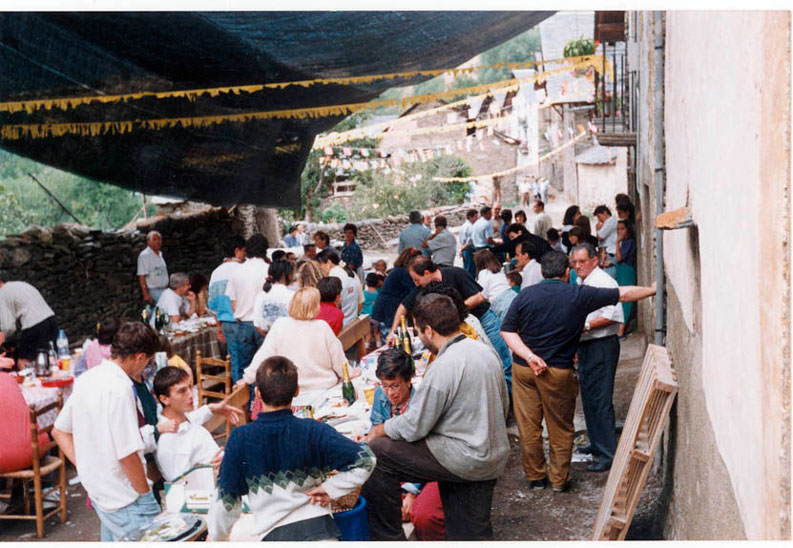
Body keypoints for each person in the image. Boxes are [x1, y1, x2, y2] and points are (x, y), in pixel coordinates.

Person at [500, 251, 656, 492]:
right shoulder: (578, 295)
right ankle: (559, 480)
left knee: (529, 426)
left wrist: (530, 356)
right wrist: (652, 290)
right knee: (560, 427)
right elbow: (623, 294)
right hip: (557, 371)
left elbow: (507, 331)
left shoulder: (525, 295)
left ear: (542, 272)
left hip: (524, 370)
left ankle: (535, 478)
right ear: (566, 272)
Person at [363, 293, 509, 540]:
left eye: (419, 332)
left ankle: (389, 539)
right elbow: (504, 404)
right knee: (470, 532)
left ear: (429, 330)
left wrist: (380, 429)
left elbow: (413, 426)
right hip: (489, 453)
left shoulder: (444, 365)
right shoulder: (483, 351)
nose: (420, 337)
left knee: (377, 449)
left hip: (466, 456)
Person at [209, 356, 375, 541]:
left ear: (257, 393)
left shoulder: (240, 438)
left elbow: (226, 504)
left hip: (275, 535)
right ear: (297, 391)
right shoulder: (313, 430)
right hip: (322, 532)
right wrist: (330, 488)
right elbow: (366, 459)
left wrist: (217, 539)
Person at [52, 322, 162, 541]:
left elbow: (59, 431)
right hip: (126, 497)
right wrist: (145, 495)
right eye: (148, 361)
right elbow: (127, 454)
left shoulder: (87, 379)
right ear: (140, 357)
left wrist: (85, 467)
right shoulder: (120, 390)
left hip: (100, 492)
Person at [388, 257, 513, 394]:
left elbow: (478, 297)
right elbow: (404, 306)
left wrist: (450, 311)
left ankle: (508, 401)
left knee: (503, 364)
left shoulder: (455, 273)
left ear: (427, 273)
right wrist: (393, 331)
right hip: (459, 324)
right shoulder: (424, 287)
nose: (415, 284)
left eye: (416, 279)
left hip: (482, 320)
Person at [369, 347, 445, 541]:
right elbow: (376, 432)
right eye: (385, 386)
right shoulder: (380, 395)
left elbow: (423, 453)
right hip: (391, 463)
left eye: (395, 386)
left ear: (409, 380)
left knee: (421, 513)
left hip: (418, 466)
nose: (389, 393)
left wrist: (411, 492)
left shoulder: (419, 403)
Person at [570, 243, 625, 472]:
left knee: (600, 398)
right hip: (587, 345)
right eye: (574, 262)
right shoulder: (583, 281)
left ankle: (607, 454)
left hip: (600, 344)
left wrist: (586, 326)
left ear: (594, 260)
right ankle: (597, 444)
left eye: (583, 261)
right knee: (591, 398)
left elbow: (614, 316)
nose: (578, 266)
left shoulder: (604, 282)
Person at [242, 288, 346, 392]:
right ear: (316, 306)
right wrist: (350, 373)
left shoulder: (281, 325)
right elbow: (338, 359)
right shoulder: (322, 327)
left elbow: (264, 354)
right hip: (323, 389)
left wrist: (248, 378)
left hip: (290, 392)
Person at [152, 366, 220, 482]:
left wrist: (211, 409)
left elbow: (196, 418)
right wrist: (208, 469)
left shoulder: (184, 418)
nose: (190, 394)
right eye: (182, 391)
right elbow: (182, 486)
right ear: (165, 399)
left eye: (190, 387)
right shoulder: (168, 441)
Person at [224, 234, 269, 383]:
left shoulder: (237, 271)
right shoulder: (268, 270)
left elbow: (233, 303)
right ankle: (262, 402)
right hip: (264, 325)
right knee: (266, 367)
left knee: (245, 368)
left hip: (243, 324)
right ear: (265, 250)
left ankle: (249, 403)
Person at [0, 275, 58, 363]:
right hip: (50, 319)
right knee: (51, 358)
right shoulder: (19, 284)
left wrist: (5, 342)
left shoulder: (2, 293)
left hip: (33, 325)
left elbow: (8, 327)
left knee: (24, 361)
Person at [372, 248, 421, 341]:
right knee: (391, 337)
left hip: (387, 307)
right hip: (388, 310)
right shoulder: (403, 272)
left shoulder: (398, 271)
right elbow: (414, 290)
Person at [208, 235, 246, 348]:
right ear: (237, 251)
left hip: (226, 324)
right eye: (244, 251)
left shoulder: (216, 273)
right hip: (243, 323)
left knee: (233, 359)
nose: (245, 255)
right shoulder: (243, 270)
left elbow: (212, 305)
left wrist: (219, 327)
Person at [316, 249, 364, 327]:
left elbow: (331, 308)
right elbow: (360, 302)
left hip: (340, 324)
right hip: (352, 322)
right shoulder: (351, 273)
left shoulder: (333, 278)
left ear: (328, 263)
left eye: (320, 265)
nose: (320, 269)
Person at [252, 260, 295, 337]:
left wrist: (268, 338)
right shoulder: (292, 295)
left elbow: (257, 324)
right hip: (288, 339)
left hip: (267, 339)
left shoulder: (261, 295)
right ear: (284, 275)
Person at [474, 249, 516, 323]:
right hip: (512, 295)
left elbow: (482, 295)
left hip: (500, 303)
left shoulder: (484, 273)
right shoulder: (499, 270)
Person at [614, 220, 637, 338]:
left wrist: (617, 243)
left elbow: (619, 258)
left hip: (626, 271)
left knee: (625, 300)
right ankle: (623, 328)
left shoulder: (629, 242)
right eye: (618, 229)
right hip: (622, 271)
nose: (620, 232)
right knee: (622, 299)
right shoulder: (625, 242)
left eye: (622, 229)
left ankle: (621, 330)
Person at [137, 231, 168, 307]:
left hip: (164, 289)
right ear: (148, 242)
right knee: (167, 304)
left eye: (159, 239)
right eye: (154, 239)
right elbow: (142, 276)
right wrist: (145, 294)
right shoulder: (145, 256)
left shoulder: (160, 254)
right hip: (154, 290)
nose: (158, 242)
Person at [362, 273, 382, 347]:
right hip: (375, 317)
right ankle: (379, 349)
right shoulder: (379, 294)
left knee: (367, 335)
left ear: (366, 283)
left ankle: (366, 351)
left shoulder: (363, 293)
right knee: (377, 334)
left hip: (365, 317)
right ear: (377, 283)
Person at [458, 209, 478, 277]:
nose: (477, 218)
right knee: (471, 270)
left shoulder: (464, 226)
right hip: (469, 249)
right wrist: (462, 249)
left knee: (466, 268)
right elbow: (470, 241)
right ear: (470, 217)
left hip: (465, 249)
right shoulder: (471, 227)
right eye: (475, 217)